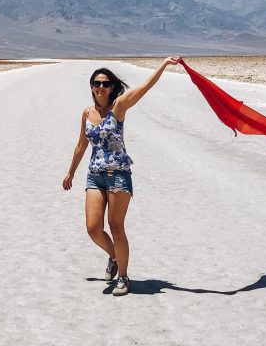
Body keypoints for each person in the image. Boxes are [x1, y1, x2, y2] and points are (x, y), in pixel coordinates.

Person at [63, 57, 181, 296]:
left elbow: (145, 88)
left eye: (105, 84)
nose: (100, 87)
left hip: (118, 175)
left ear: (112, 87)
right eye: (96, 83)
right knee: (93, 228)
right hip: (95, 175)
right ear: (91, 86)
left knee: (116, 226)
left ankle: (123, 277)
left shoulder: (119, 107)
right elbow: (80, 145)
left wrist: (164, 65)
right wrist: (71, 172)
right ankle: (113, 255)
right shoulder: (86, 113)